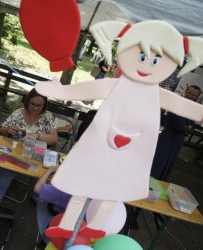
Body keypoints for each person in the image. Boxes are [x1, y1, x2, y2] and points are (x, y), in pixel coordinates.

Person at [36, 20, 203, 240]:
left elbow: (183, 106)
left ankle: (96, 225)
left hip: (133, 149)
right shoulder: (117, 84)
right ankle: (67, 225)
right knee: (82, 182)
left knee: (115, 188)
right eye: (141, 57)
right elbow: (88, 89)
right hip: (99, 143)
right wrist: (61, 91)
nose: (146, 65)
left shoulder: (157, 93)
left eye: (155, 60)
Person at [0, 89, 58, 206]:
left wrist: (38, 135)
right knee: (7, 170)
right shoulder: (18, 113)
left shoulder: (47, 117)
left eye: (39, 105)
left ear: (44, 105)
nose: (35, 108)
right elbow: (1, 130)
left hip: (37, 152)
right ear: (27, 101)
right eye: (33, 104)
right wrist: (8, 130)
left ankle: (36, 195)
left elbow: (54, 139)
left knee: (39, 173)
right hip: (16, 150)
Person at [151, 85, 201, 181]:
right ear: (185, 92)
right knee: (159, 163)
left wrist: (188, 127)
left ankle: (158, 187)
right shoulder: (176, 104)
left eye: (193, 95)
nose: (190, 96)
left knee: (168, 165)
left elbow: (192, 127)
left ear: (196, 97)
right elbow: (180, 127)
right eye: (189, 93)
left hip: (178, 142)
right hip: (167, 139)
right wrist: (187, 128)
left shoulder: (191, 109)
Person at [34, 167, 71, 246]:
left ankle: (44, 240)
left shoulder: (64, 192)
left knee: (41, 200)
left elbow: (37, 188)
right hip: (74, 235)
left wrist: (49, 170)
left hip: (55, 231)